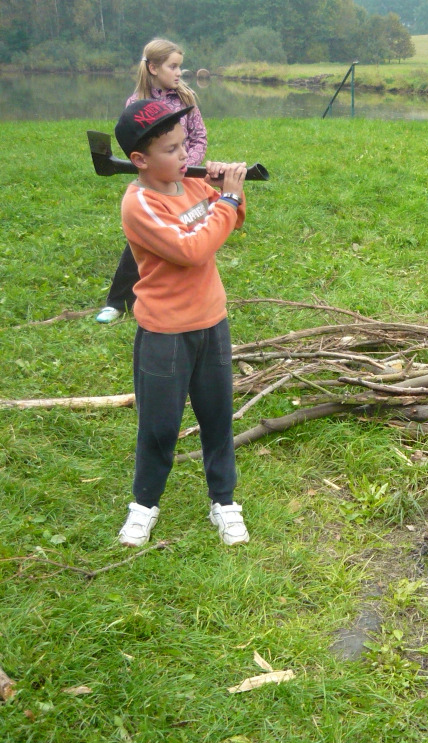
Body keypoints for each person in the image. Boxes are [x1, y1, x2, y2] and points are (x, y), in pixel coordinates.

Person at [112, 98, 250, 547]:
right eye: (171, 150)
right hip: (165, 332)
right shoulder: (140, 204)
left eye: (183, 145)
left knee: (217, 417)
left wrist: (227, 191)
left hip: (212, 322)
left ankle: (224, 502)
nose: (184, 156)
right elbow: (193, 250)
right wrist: (226, 199)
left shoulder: (191, 184)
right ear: (140, 160)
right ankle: (144, 506)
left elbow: (232, 219)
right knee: (159, 426)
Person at [96, 39, 208, 323]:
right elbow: (134, 146)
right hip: (154, 184)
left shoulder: (186, 99)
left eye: (180, 66)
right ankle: (117, 301)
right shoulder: (135, 104)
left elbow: (199, 137)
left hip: (183, 176)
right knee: (144, 237)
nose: (179, 72)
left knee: (187, 229)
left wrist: (186, 164)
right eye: (173, 66)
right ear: (154, 68)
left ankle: (181, 292)